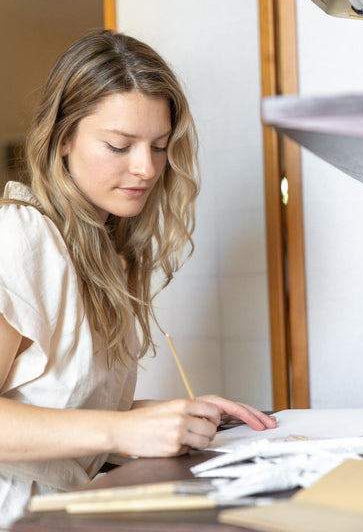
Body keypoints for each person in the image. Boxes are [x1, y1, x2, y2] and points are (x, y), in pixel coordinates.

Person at [0, 29, 276, 528]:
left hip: (65, 512)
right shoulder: (20, 237)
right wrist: (124, 431)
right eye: (118, 145)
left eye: (159, 146)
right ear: (62, 139)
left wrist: (174, 415)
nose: (145, 169)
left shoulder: (103, 248)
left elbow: (59, 403)